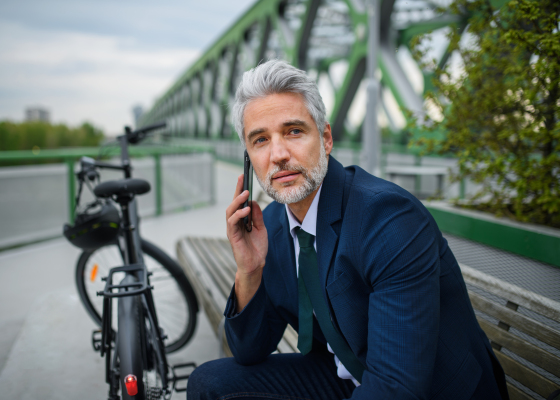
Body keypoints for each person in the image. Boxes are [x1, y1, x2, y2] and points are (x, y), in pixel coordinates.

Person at [187, 60, 509, 400]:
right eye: (261, 140)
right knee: (209, 384)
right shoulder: (276, 227)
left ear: (325, 138)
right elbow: (248, 352)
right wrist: (249, 269)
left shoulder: (388, 219)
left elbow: (395, 389)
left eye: (294, 131)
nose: (278, 154)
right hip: (348, 375)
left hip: (430, 390)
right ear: (249, 157)